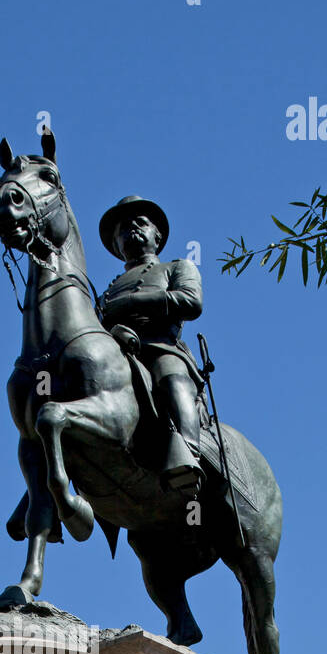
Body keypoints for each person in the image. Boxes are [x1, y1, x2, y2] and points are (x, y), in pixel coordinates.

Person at [98, 195, 205, 491]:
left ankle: (187, 452)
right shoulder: (106, 292)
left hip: (161, 347)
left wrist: (134, 301)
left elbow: (191, 301)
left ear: (157, 236)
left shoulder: (177, 267)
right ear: (115, 245)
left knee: (171, 378)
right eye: (121, 228)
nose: (131, 228)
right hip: (117, 352)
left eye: (140, 222)